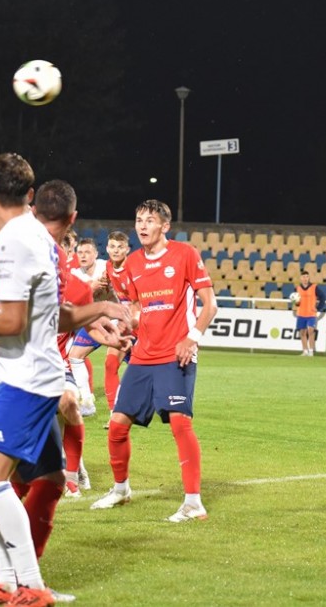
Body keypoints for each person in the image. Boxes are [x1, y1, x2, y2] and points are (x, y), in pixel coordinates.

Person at [0, 159, 129, 607]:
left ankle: (29, 586)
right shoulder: (37, 239)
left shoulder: (15, 242)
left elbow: (13, 320)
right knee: (6, 478)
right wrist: (100, 310)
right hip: (20, 373)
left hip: (22, 379)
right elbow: (50, 315)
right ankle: (6, 586)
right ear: (28, 194)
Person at [91, 199, 218, 523]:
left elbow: (210, 305)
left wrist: (192, 338)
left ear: (165, 226)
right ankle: (121, 490)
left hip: (176, 353)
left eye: (149, 220)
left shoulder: (185, 254)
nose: (142, 226)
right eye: (139, 220)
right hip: (143, 355)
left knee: (179, 422)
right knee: (117, 425)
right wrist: (126, 326)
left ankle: (193, 502)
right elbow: (136, 308)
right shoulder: (133, 262)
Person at [68, 230, 132, 419]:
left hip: (117, 320)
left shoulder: (106, 266)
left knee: (130, 361)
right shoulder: (74, 274)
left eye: (88, 252)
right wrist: (92, 287)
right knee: (75, 356)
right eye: (80, 252)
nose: (83, 256)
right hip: (94, 321)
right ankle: (87, 402)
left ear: (96, 254)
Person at [294, 269, 326, 356]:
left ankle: (311, 351)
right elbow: (297, 302)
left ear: (309, 278)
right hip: (301, 314)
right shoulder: (297, 288)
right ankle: (305, 351)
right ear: (301, 278)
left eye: (307, 277)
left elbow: (323, 297)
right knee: (302, 333)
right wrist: (296, 303)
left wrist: (318, 308)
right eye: (304, 277)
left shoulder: (314, 287)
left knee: (311, 331)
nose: (305, 278)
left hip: (311, 314)